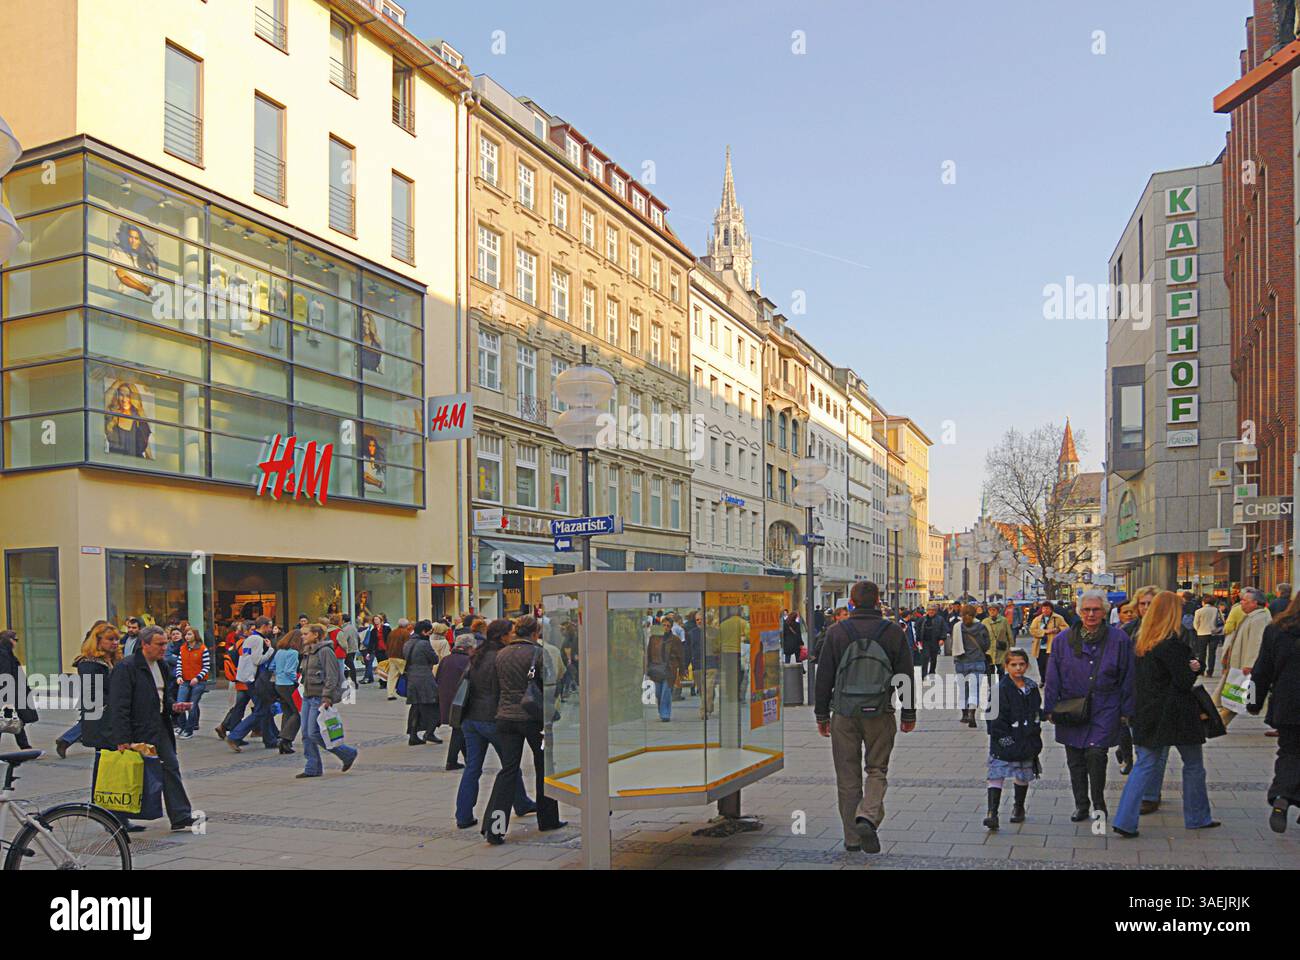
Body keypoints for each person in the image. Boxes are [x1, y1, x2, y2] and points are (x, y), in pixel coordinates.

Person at [814, 581, 916, 854]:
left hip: (844, 714)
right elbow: (905, 674)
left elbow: (823, 676)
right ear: (878, 600)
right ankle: (868, 816)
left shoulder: (837, 632)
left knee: (847, 777)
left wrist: (821, 714)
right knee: (876, 770)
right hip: (880, 712)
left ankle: (852, 838)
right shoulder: (893, 632)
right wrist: (909, 712)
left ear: (852, 601)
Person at [1111, 591, 1219, 837]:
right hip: (1178, 714)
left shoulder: (1141, 642)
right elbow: (1183, 681)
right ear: (1172, 612)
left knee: (1144, 765)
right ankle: (1197, 817)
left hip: (1148, 712)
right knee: (1193, 765)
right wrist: (1195, 667)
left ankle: (1125, 820)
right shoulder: (1173, 643)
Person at [1041, 589, 1135, 823]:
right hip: (1071, 706)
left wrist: (1126, 710)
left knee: (1096, 753)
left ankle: (1098, 801)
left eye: (1096, 609)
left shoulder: (1119, 639)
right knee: (1075, 758)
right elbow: (1053, 675)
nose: (1091, 614)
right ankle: (1081, 804)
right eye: (1086, 610)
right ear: (1079, 611)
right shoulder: (1064, 640)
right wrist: (1050, 707)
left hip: (1106, 705)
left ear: (1105, 612)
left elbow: (1128, 675)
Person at [481, 615, 566, 844]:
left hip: (506, 718)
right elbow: (551, 686)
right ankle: (548, 818)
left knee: (508, 770)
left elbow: (494, 688)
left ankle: (495, 827)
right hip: (534, 720)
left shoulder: (502, 654)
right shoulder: (539, 653)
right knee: (544, 765)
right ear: (535, 633)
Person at [107, 625, 197, 831]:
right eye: (160, 644)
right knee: (132, 773)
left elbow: (164, 697)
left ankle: (180, 815)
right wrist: (122, 738)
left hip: (159, 725)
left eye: (165, 643)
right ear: (145, 645)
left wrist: (174, 706)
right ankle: (116, 819)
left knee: (171, 766)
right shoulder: (127, 667)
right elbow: (119, 705)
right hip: (137, 728)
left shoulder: (162, 666)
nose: (164, 648)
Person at [455, 619, 536, 830]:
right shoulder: (501, 657)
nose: (513, 636)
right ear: (502, 636)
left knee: (473, 767)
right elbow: (502, 689)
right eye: (510, 633)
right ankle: (521, 802)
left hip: (470, 718)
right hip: (492, 718)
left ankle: (463, 814)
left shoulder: (478, 655)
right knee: (510, 765)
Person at [75, 622, 140, 831]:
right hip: (102, 723)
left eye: (116, 639)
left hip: (112, 720)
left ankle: (117, 816)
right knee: (107, 769)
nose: (115, 643)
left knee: (113, 768)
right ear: (98, 641)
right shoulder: (90, 664)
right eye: (110, 639)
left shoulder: (112, 661)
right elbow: (93, 696)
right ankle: (110, 816)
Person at [1246, 589, 1300, 832]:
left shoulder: (1277, 630)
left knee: (1289, 751)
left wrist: (1253, 701)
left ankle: (1282, 797)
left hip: (1287, 703)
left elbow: (1261, 670)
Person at [983, 648, 1042, 830]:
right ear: (1006, 666)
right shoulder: (1000, 688)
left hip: (1026, 737)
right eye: (1014, 665)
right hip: (1004, 739)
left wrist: (1035, 727)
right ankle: (992, 812)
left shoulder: (1031, 687)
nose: (1018, 668)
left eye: (1022, 664)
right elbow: (994, 717)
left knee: (1022, 773)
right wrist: (1005, 740)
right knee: (997, 774)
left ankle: (1019, 807)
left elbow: (1036, 710)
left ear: (1027, 665)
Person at [297, 623, 357, 778]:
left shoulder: (324, 651)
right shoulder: (308, 652)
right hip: (308, 695)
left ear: (316, 635)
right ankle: (312, 767)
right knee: (305, 733)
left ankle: (347, 753)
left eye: (305, 634)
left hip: (319, 696)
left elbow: (332, 676)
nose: (302, 636)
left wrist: (327, 697)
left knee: (314, 733)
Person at [1116, 585, 1159, 780]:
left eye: (1151, 603)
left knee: (1152, 750)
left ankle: (1149, 791)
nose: (1146, 608)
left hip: (1159, 696)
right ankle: (1128, 758)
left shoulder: (1169, 629)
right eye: (1143, 604)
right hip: (1133, 693)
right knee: (1139, 742)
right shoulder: (1128, 630)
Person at [1216, 587, 1272, 727]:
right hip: (1240, 664)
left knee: (1237, 696)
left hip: (1246, 666)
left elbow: (1256, 642)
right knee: (1235, 696)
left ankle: (1218, 723)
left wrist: (1250, 664)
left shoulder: (1259, 618)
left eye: (1245, 601)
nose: (1241, 603)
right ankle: (1218, 722)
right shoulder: (1252, 617)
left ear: (1255, 603)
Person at [222, 617, 279, 752]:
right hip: (255, 679)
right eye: (269, 626)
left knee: (264, 709)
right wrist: (270, 650)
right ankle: (235, 736)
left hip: (249, 678)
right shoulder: (257, 639)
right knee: (261, 710)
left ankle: (271, 738)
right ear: (264, 626)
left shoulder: (250, 638)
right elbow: (257, 660)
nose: (270, 629)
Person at [951, 604, 990, 727]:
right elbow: (986, 645)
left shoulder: (957, 627)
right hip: (977, 661)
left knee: (963, 690)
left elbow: (954, 643)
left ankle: (964, 715)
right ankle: (972, 713)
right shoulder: (981, 627)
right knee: (974, 690)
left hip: (961, 662)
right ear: (975, 614)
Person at [404, 620, 441, 746]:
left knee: (416, 707)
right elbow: (435, 659)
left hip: (411, 677)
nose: (430, 634)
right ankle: (429, 732)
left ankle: (413, 735)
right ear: (424, 631)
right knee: (434, 705)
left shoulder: (408, 642)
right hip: (424, 678)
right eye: (429, 632)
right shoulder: (424, 644)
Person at [438, 635, 473, 770]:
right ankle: (451, 760)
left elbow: (438, 678)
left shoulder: (446, 659)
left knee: (459, 729)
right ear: (469, 648)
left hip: (447, 699)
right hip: (461, 699)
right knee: (459, 730)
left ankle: (466, 759)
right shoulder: (468, 660)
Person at [0, 631, 37, 749]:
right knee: (11, 718)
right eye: (15, 640)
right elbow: (5, 675)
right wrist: (7, 699)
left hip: (11, 693)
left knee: (15, 719)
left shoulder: (6, 653)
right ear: (9, 640)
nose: (16, 643)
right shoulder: (3, 654)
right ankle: (25, 747)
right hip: (8, 693)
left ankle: (25, 747)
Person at [174, 624, 210, 740]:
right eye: (185, 635)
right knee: (180, 704)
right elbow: (179, 663)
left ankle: (189, 730)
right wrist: (178, 675)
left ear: (195, 635)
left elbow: (206, 666)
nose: (186, 637)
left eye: (189, 634)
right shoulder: (183, 648)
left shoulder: (203, 649)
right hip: (184, 680)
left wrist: (198, 678)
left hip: (198, 681)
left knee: (192, 706)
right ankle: (182, 726)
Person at [645, 616, 684, 722]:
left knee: (665, 692)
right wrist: (647, 667)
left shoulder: (675, 639)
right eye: (664, 625)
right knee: (658, 693)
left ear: (671, 627)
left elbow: (680, 655)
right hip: (656, 669)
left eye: (668, 626)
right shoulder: (654, 638)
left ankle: (665, 714)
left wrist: (681, 670)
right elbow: (649, 653)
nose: (666, 627)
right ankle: (661, 710)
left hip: (669, 669)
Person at [272, 630, 302, 754]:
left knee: (287, 711)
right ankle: (285, 738)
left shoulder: (279, 652)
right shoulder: (293, 653)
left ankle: (284, 740)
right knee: (297, 713)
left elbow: (273, 667)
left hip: (279, 684)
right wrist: (297, 680)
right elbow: (289, 671)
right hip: (288, 684)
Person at [1028, 601, 1068, 686]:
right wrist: (1045, 632)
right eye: (1043, 608)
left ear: (1051, 609)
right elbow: (1032, 630)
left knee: (1050, 666)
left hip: (1052, 646)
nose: (1045, 610)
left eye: (1047, 608)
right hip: (1040, 646)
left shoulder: (1058, 618)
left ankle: (1050, 681)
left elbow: (1066, 628)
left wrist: (1058, 629)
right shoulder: (1037, 619)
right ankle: (1043, 679)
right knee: (1041, 665)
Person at [384, 619, 412, 700]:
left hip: (391, 656)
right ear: (407, 625)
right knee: (407, 674)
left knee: (392, 676)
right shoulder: (406, 633)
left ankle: (390, 693)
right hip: (401, 657)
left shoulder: (392, 632)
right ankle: (409, 692)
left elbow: (388, 643)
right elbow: (407, 646)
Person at [983, 604, 1014, 678]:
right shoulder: (985, 622)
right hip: (989, 651)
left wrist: (1011, 648)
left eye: (994, 610)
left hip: (1001, 650)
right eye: (990, 610)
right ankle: (992, 688)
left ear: (998, 611)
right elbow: (981, 636)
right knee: (990, 672)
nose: (992, 612)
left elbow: (1009, 635)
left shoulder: (1004, 620)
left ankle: (1001, 687)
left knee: (1001, 671)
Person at [1192, 595, 1220, 675]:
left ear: (1203, 602)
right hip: (1214, 633)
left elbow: (1195, 624)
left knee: (1202, 653)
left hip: (1202, 633)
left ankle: (1201, 670)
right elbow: (1221, 621)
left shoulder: (1199, 611)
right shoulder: (1216, 610)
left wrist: (1198, 630)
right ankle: (1210, 671)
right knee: (1212, 653)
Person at [336, 613, 359, 684]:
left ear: (343, 621)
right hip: (353, 649)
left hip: (348, 650)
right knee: (350, 666)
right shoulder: (353, 627)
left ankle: (353, 682)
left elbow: (343, 640)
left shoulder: (345, 629)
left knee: (349, 667)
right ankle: (353, 682)